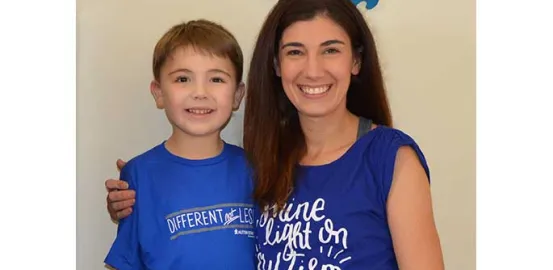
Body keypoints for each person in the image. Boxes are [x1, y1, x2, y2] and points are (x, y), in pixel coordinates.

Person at [105, 0, 445, 269]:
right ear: (276, 65)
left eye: (331, 49)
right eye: (295, 51)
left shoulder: (390, 158)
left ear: (356, 61)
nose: (313, 70)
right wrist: (138, 193)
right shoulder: (263, 160)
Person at [103, 19, 256, 270]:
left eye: (216, 79)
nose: (200, 92)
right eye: (183, 79)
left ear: (238, 95)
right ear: (159, 92)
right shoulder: (138, 175)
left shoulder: (255, 169)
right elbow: (126, 261)